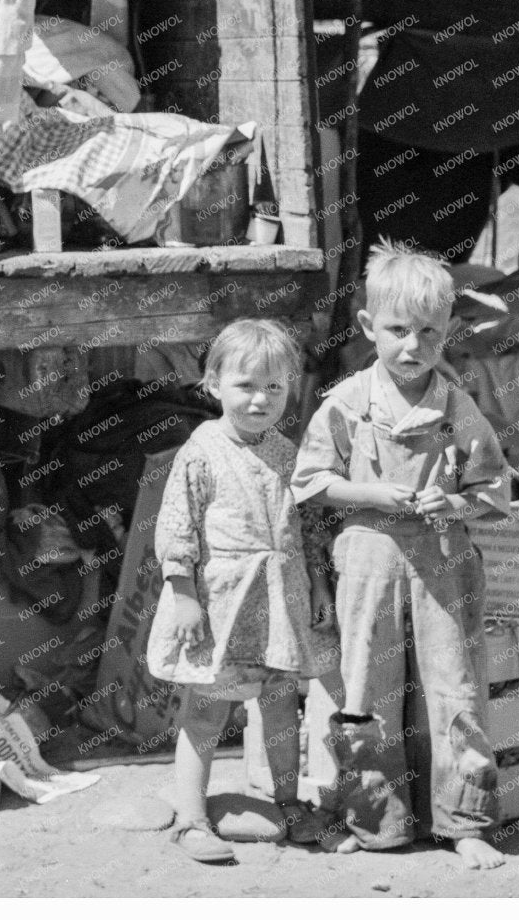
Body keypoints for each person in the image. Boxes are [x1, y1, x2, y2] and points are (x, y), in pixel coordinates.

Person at [292, 240, 512, 870]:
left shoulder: (456, 404)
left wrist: (458, 505)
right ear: (367, 327)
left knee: (455, 687)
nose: (412, 347)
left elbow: (491, 483)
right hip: (367, 557)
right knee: (366, 688)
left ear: (448, 332)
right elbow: (310, 480)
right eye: (396, 331)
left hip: (444, 559)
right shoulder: (346, 402)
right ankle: (378, 819)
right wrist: (371, 493)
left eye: (428, 333)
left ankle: (463, 821)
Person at [148, 318, 337, 864]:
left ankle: (288, 804)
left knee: (281, 707)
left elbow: (305, 526)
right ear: (213, 384)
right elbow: (176, 528)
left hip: (280, 601)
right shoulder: (201, 451)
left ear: (291, 389)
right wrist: (183, 594)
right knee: (207, 711)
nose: (261, 400)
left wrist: (319, 583)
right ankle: (191, 819)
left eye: (274, 387)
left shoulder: (286, 452)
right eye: (246, 385)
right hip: (220, 603)